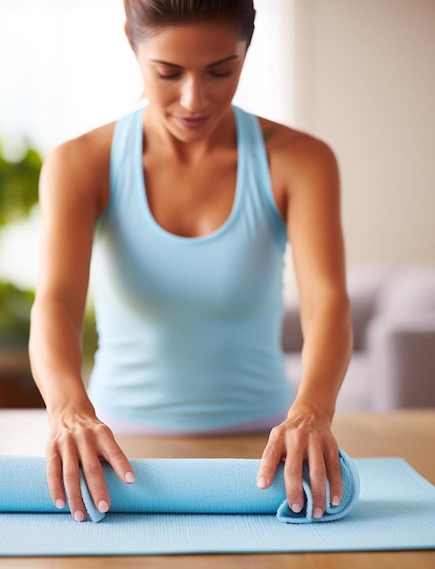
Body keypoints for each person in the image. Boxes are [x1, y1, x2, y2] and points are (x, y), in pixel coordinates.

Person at [29, 0, 352, 523]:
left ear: (247, 51)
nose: (194, 99)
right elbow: (57, 304)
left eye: (222, 71)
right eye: (168, 72)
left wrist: (313, 412)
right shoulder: (79, 164)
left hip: (266, 452)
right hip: (117, 455)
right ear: (132, 45)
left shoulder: (301, 160)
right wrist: (68, 413)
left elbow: (327, 302)